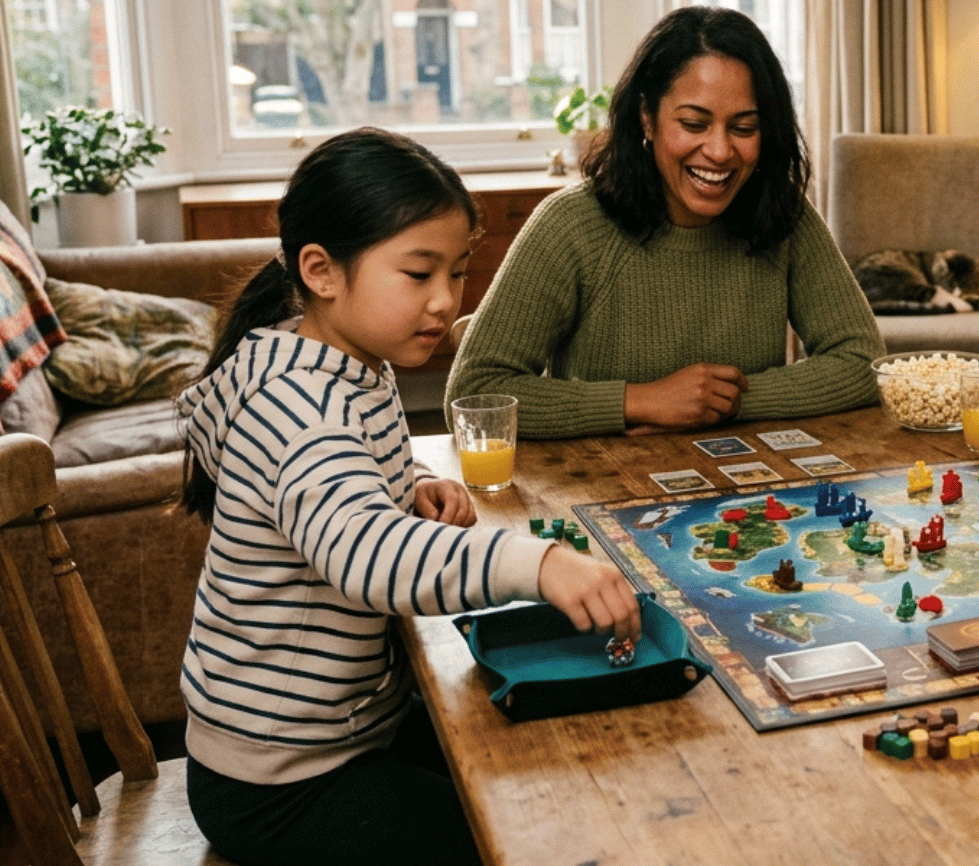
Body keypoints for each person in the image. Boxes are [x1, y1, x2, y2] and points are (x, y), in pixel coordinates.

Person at [178, 129, 641, 866]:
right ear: (322, 272)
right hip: (280, 780)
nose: (445, 301)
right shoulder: (297, 406)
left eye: (456, 273)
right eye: (418, 273)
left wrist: (406, 488)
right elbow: (367, 556)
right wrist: (540, 561)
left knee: (536, 752)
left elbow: (335, 495)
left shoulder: (345, 365)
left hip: (338, 732)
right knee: (521, 832)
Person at [448, 6, 882, 438]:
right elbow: (473, 396)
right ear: (647, 118)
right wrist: (641, 401)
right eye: (694, 123)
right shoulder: (570, 225)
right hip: (601, 485)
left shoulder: (784, 215)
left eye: (744, 128)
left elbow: (865, 361)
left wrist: (724, 404)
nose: (719, 151)